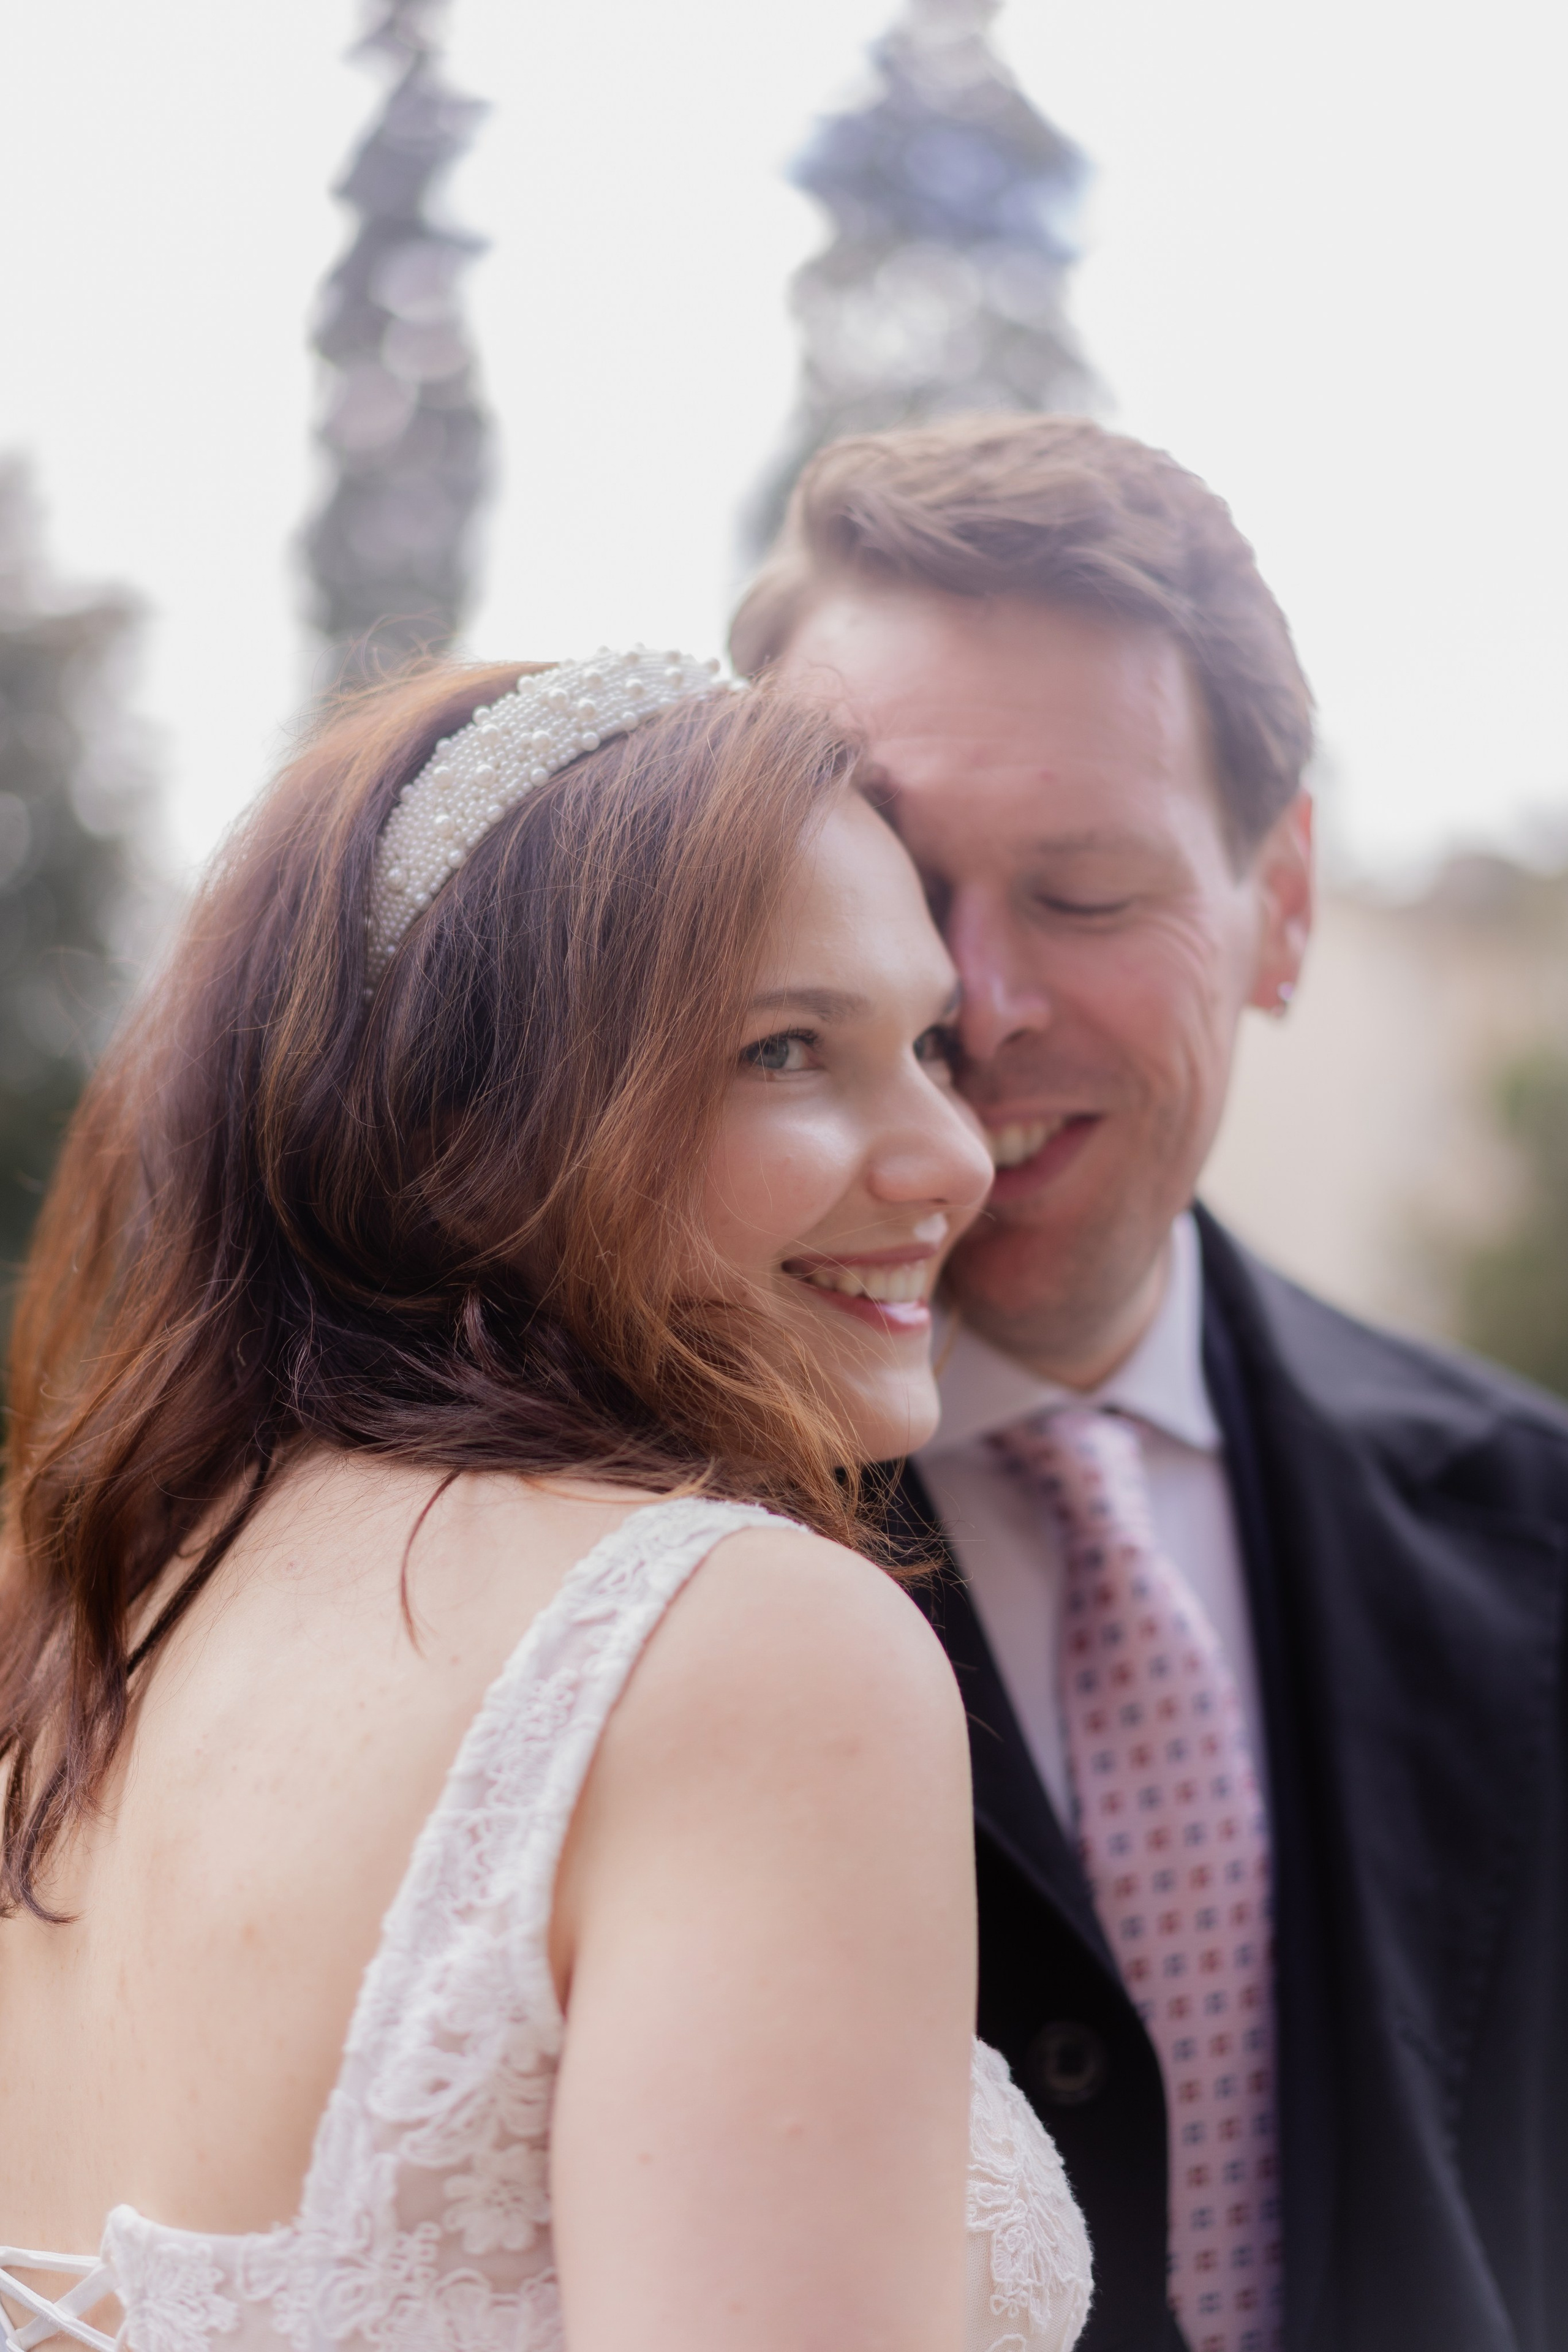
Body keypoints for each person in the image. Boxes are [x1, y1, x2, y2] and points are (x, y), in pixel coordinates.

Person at [0, 653, 1095, 2352]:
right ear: (465, 1118)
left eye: (932, 1042)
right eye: (789, 1049)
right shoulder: (743, 1647)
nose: (953, 1153)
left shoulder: (78, 1628)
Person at [732, 415, 1568, 2352]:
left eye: (1087, 897)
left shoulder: (1534, 1524)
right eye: (888, 883)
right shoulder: (599, 1532)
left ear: (1281, 904)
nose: (976, 1005)